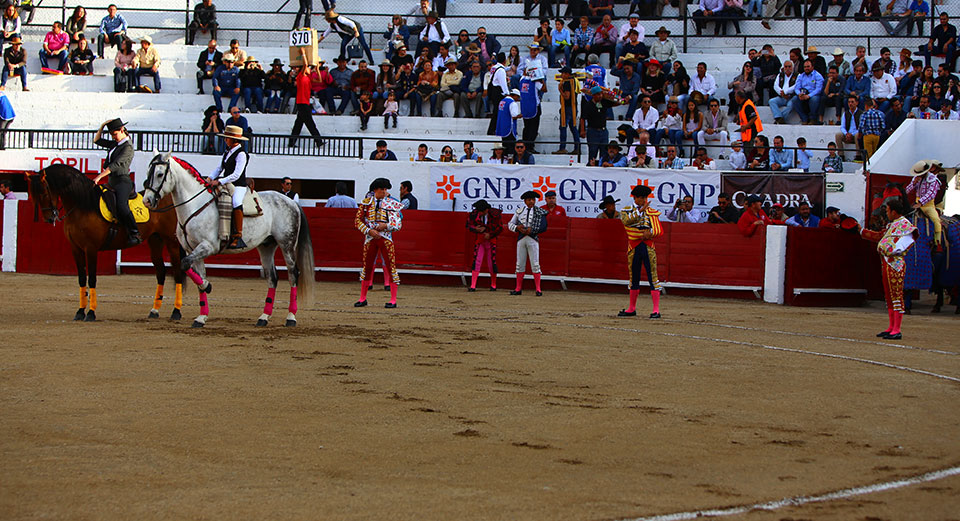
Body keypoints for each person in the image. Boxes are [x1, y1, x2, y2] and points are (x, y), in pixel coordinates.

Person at [860, 198, 918, 339]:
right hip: (887, 262)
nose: (886, 214)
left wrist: (887, 249)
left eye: (887, 211)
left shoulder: (905, 225)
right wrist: (860, 231)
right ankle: (891, 327)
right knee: (889, 296)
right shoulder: (893, 225)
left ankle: (897, 329)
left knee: (896, 295)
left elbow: (904, 244)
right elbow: (881, 237)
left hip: (895, 263)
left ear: (893, 211)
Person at [354, 178, 403, 308]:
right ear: (375, 190)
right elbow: (357, 221)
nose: (385, 192)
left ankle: (393, 300)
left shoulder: (391, 204)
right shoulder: (365, 203)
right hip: (370, 239)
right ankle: (362, 298)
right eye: (382, 189)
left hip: (386, 238)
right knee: (367, 267)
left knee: (391, 267)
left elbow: (398, 224)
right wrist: (369, 231)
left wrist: (385, 225)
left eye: (386, 189)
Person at [92, 118, 140, 246]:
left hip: (122, 181)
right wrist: (102, 126)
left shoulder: (128, 147)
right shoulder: (116, 144)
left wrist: (99, 177)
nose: (114, 137)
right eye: (112, 134)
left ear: (122, 130)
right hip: (112, 181)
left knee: (121, 205)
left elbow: (115, 165)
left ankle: (134, 232)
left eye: (115, 134)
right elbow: (96, 140)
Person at [618, 184, 663, 318]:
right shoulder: (626, 211)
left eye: (645, 197)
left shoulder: (651, 212)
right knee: (634, 277)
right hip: (633, 247)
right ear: (635, 198)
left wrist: (651, 234)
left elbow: (658, 230)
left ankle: (656, 310)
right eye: (641, 198)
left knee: (652, 277)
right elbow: (626, 222)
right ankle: (632, 308)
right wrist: (640, 211)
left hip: (648, 246)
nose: (644, 200)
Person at [203, 125, 250, 249]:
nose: (225, 140)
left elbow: (236, 174)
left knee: (236, 202)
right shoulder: (227, 152)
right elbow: (219, 168)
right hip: (226, 184)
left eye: (227, 138)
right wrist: (210, 178)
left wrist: (219, 182)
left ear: (234, 140)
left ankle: (238, 235)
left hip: (238, 185)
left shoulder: (241, 154)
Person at [508, 190, 548, 296]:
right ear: (525, 201)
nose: (532, 202)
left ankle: (538, 289)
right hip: (521, 239)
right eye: (529, 200)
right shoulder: (519, 211)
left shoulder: (539, 211)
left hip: (532, 239)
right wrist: (517, 228)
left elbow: (544, 227)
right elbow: (510, 224)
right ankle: (518, 289)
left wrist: (533, 230)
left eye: (533, 200)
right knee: (519, 264)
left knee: (535, 264)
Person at [905, 159, 944, 251]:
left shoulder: (933, 179)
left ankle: (937, 242)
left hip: (928, 205)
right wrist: (913, 184)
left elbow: (931, 194)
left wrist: (920, 203)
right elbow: (906, 191)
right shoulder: (916, 179)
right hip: (916, 203)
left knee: (936, 220)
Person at [288, 54, 325, 150]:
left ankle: (291, 142)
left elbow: (319, 80)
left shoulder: (308, 78)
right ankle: (318, 141)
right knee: (310, 123)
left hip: (304, 102)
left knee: (299, 124)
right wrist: (304, 53)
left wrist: (317, 70)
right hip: (302, 103)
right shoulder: (301, 76)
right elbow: (305, 65)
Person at [466, 199, 502, 291]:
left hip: (491, 240)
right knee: (477, 261)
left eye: (481, 211)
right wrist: (475, 229)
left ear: (486, 210)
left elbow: (500, 228)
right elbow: (468, 225)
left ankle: (493, 285)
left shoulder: (494, 214)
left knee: (491, 262)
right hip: (480, 240)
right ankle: (473, 285)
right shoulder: (475, 213)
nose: (479, 213)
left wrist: (490, 234)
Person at [794, 59, 824, 124]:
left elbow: (818, 89)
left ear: (812, 67)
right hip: (803, 94)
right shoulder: (801, 76)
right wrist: (799, 94)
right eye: (805, 67)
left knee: (814, 99)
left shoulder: (818, 76)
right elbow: (796, 87)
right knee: (794, 99)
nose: (806, 68)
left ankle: (813, 119)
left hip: (814, 94)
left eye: (808, 66)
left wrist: (808, 96)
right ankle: (804, 119)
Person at [496, 88, 522, 153]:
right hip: (509, 128)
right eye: (517, 97)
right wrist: (521, 115)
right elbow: (514, 116)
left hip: (502, 128)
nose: (517, 99)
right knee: (511, 148)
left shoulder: (502, 101)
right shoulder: (512, 103)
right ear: (515, 96)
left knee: (504, 146)